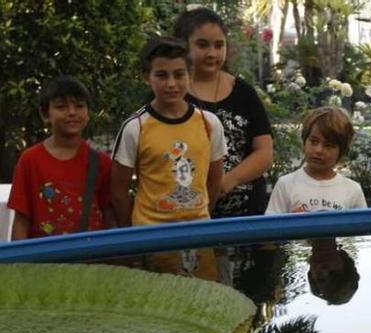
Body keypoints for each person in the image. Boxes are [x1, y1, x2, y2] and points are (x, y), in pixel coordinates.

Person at [111, 36, 226, 280]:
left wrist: (197, 212)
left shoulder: (209, 124)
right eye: (162, 75)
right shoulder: (136, 127)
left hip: (200, 237)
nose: (171, 83)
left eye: (179, 74)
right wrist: (133, 236)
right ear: (146, 77)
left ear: (190, 74)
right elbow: (118, 192)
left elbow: (214, 182)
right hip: (152, 241)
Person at [172, 6, 274, 218]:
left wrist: (229, 180)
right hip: (185, 214)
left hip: (245, 215)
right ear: (183, 45)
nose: (212, 53)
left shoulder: (244, 93)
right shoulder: (171, 94)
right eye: (202, 45)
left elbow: (264, 153)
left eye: (219, 45)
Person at [9, 76, 115, 240]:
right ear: (45, 114)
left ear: (88, 114)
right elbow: (21, 218)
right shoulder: (30, 160)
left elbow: (109, 215)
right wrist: (17, 265)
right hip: (43, 261)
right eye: (61, 107)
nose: (72, 112)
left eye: (79, 106)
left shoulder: (101, 163)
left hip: (91, 260)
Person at [265, 106, 366, 213]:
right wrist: (292, 222)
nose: (319, 150)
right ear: (304, 141)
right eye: (314, 142)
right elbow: (271, 227)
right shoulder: (286, 185)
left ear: (341, 151)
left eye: (328, 145)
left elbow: (362, 227)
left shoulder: (352, 190)